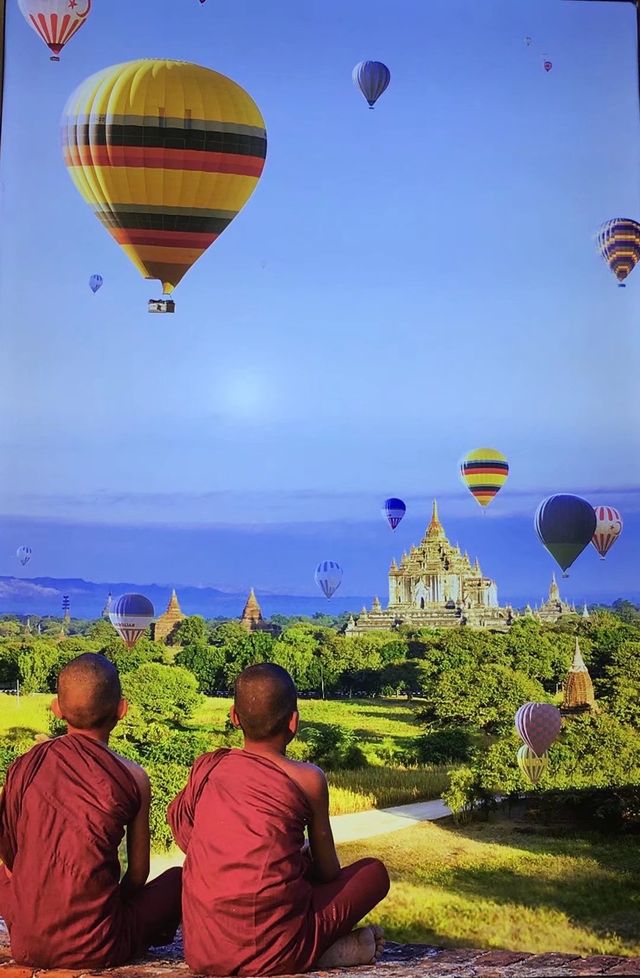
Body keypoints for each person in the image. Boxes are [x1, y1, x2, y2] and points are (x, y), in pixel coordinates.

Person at [169, 662, 390, 976]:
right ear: (294, 722)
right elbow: (329, 872)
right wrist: (304, 863)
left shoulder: (208, 767)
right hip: (277, 946)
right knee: (374, 873)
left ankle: (316, 948)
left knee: (296, 867)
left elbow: (184, 835)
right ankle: (319, 951)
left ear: (233, 716)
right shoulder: (309, 778)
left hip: (203, 951)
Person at [0, 653, 181, 968]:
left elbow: (11, 860)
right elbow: (138, 874)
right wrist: (107, 908)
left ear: (57, 709)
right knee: (180, 879)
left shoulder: (25, 765)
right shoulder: (133, 776)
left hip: (25, 941)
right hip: (99, 944)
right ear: (122, 710)